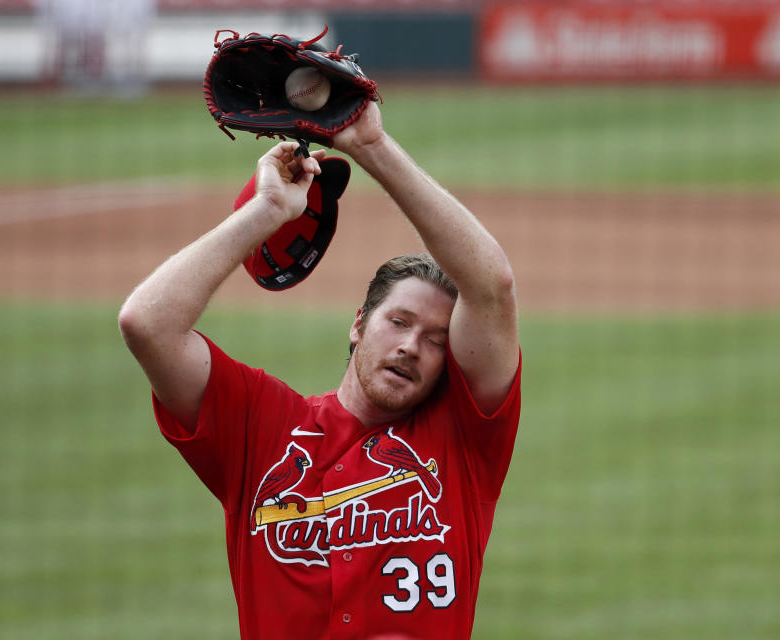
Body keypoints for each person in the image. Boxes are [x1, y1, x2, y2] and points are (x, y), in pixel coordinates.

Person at [119, 101, 521, 640]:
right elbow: (146, 323)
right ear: (359, 324)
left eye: (436, 340)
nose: (410, 347)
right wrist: (265, 211)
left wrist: (371, 147)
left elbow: (491, 285)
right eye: (398, 322)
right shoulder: (259, 425)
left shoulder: (465, 440)